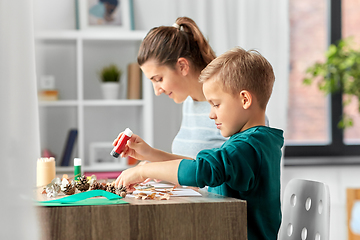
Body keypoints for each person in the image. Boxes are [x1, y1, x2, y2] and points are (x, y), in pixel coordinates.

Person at [115, 47, 284, 240]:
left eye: (216, 104)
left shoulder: (248, 147)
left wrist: (142, 172)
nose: (211, 114)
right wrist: (150, 156)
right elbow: (199, 164)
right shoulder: (250, 142)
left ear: (244, 99)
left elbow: (201, 170)